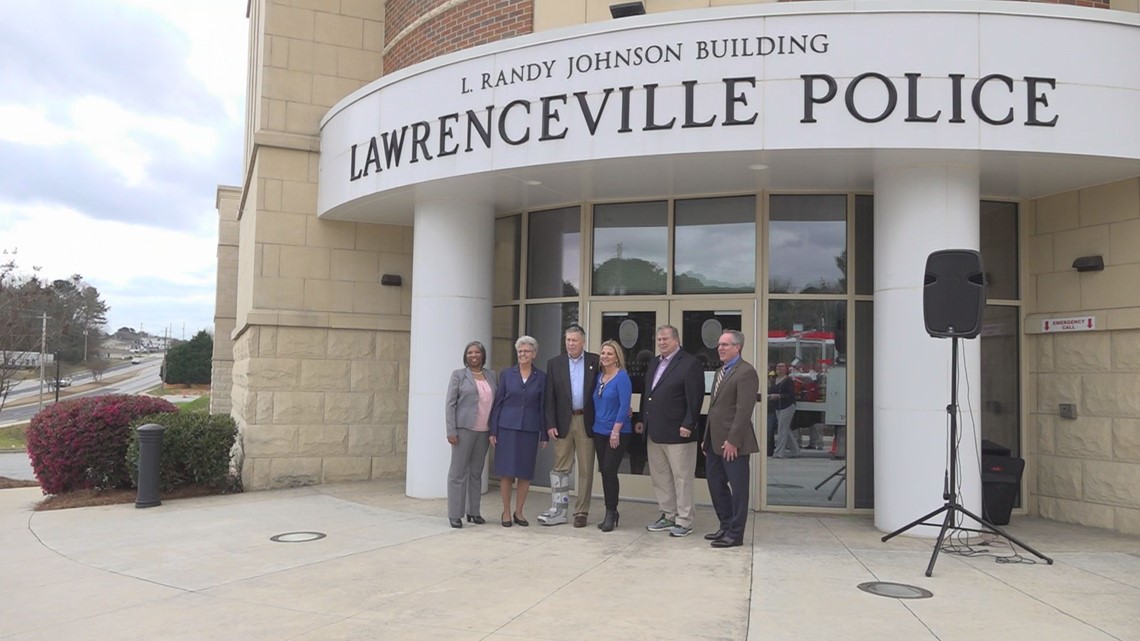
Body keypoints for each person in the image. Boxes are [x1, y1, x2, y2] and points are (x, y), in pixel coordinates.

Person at [635, 325, 704, 538]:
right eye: (659, 340)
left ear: (676, 340)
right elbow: (649, 394)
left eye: (665, 339)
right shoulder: (655, 362)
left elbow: (695, 398)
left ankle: (684, 520)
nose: (662, 343)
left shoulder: (690, 363)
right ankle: (668, 514)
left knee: (682, 478)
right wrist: (641, 419)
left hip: (679, 432)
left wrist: (689, 424)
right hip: (654, 430)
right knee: (661, 476)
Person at [703, 330, 760, 548]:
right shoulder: (720, 372)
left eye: (725, 345)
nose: (720, 348)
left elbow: (743, 410)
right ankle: (725, 525)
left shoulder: (746, 372)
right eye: (719, 344)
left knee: (738, 489)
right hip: (714, 441)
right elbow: (714, 408)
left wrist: (733, 440)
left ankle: (735, 534)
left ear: (738, 347)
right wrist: (706, 437)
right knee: (715, 484)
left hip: (734, 443)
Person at [540, 325, 600, 527]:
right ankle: (559, 509)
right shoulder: (554, 364)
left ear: (583, 341)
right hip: (563, 422)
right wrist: (550, 423)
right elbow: (550, 397)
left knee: (585, 469)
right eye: (568, 340)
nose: (570, 344)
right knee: (560, 468)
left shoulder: (595, 361)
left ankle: (581, 512)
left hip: (586, 421)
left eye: (574, 340)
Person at [489, 336, 547, 527]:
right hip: (507, 428)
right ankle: (505, 511)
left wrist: (544, 433)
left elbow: (542, 407)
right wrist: (493, 430)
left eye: (527, 351)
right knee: (506, 472)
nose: (523, 354)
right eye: (520, 351)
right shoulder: (506, 374)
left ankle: (519, 512)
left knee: (524, 473)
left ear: (534, 354)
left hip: (529, 429)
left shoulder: (541, 377)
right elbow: (498, 403)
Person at [444, 341, 497, 528]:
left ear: (483, 355)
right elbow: (450, 404)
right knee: (458, 473)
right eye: (470, 352)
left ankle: (473, 512)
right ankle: (455, 514)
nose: (473, 355)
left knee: (476, 473)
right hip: (463, 430)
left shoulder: (491, 375)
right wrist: (451, 430)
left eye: (477, 352)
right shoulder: (459, 375)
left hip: (484, 432)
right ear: (466, 356)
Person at [591, 339, 632, 532]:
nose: (605, 356)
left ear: (617, 357)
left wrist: (615, 431)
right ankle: (611, 511)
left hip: (617, 432)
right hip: (598, 430)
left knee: (609, 470)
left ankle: (611, 511)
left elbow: (625, 406)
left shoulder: (622, 377)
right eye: (603, 353)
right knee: (605, 472)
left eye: (609, 353)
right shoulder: (599, 376)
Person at [769, 362, 799, 458]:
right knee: (785, 429)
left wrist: (778, 396)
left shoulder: (788, 380)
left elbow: (790, 395)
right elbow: (770, 391)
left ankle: (779, 452)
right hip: (778, 407)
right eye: (778, 366)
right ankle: (795, 450)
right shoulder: (774, 380)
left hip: (788, 406)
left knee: (781, 429)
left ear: (786, 369)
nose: (780, 368)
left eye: (782, 367)